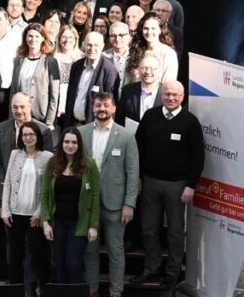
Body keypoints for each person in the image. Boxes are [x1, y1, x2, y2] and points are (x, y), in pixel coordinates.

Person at [132, 81, 205, 291]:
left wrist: (190, 185)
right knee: (149, 229)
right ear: (162, 95)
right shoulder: (150, 116)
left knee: (175, 232)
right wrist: (138, 176)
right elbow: (138, 147)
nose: (171, 98)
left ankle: (172, 273)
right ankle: (151, 268)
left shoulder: (190, 122)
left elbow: (198, 157)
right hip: (150, 183)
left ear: (182, 96)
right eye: (167, 94)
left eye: (175, 95)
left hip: (177, 186)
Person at [78, 92, 140, 297]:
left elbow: (133, 172)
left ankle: (116, 291)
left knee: (116, 250)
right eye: (98, 105)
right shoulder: (82, 133)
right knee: (90, 250)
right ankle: (92, 290)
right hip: (88, 202)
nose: (102, 109)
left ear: (113, 108)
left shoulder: (126, 136)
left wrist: (129, 203)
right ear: (92, 108)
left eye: (106, 105)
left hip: (116, 204)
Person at [42, 128, 100, 284]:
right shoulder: (52, 163)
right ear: (61, 143)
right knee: (59, 264)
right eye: (66, 141)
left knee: (73, 263)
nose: (70, 145)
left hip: (79, 223)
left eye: (74, 142)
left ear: (79, 145)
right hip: (58, 223)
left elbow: (95, 196)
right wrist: (45, 222)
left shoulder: (89, 164)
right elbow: (45, 194)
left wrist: (93, 226)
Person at [1, 120, 53, 296]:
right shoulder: (15, 154)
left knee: (38, 254)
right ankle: (15, 289)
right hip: (15, 213)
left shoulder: (47, 157)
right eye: (25, 135)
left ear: (37, 136)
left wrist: (39, 213)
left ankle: (41, 288)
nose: (28, 137)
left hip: (34, 216)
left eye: (32, 134)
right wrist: (5, 210)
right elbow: (8, 182)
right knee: (15, 254)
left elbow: (48, 189)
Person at [10, 23, 61, 129]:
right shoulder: (18, 60)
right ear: (25, 38)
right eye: (30, 36)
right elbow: (13, 91)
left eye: (37, 36)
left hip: (40, 117)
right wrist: (12, 118)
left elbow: (54, 95)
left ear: (43, 38)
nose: (33, 39)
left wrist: (49, 122)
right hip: (20, 115)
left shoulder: (50, 62)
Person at [64, 31, 120, 127]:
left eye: (96, 45)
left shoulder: (109, 70)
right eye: (89, 45)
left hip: (94, 127)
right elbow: (70, 96)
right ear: (84, 45)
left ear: (102, 46)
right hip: (73, 124)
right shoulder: (76, 66)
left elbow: (110, 105)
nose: (92, 49)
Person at [125, 13, 178, 84]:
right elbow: (130, 79)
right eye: (146, 28)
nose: (149, 32)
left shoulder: (168, 53)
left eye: (153, 28)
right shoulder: (136, 50)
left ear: (160, 30)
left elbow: (169, 83)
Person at [118, 53, 164, 125]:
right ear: (138, 70)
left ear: (160, 71)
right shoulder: (127, 90)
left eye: (153, 68)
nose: (148, 72)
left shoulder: (167, 93)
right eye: (144, 68)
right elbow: (119, 120)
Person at [104, 21, 132, 88]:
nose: (117, 39)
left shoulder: (136, 56)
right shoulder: (103, 57)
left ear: (128, 36)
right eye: (113, 36)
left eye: (121, 35)